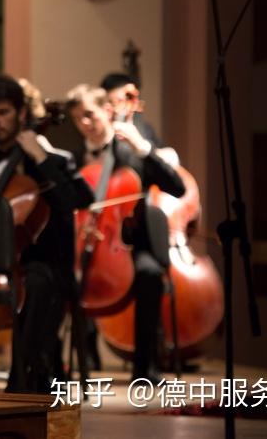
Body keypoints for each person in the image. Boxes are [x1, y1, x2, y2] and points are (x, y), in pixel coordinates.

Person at [0, 76, 93, 393]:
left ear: (22, 113)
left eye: (2, 112)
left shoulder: (50, 160)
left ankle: (24, 379)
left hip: (38, 264)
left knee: (38, 282)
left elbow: (78, 200)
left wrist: (40, 157)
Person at [66, 84, 185, 384]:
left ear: (108, 110)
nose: (84, 124)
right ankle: (68, 363)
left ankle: (145, 367)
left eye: (89, 115)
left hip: (131, 243)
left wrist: (142, 147)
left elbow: (177, 187)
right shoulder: (75, 159)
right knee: (58, 274)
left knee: (149, 274)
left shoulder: (131, 152)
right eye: (77, 118)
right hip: (87, 239)